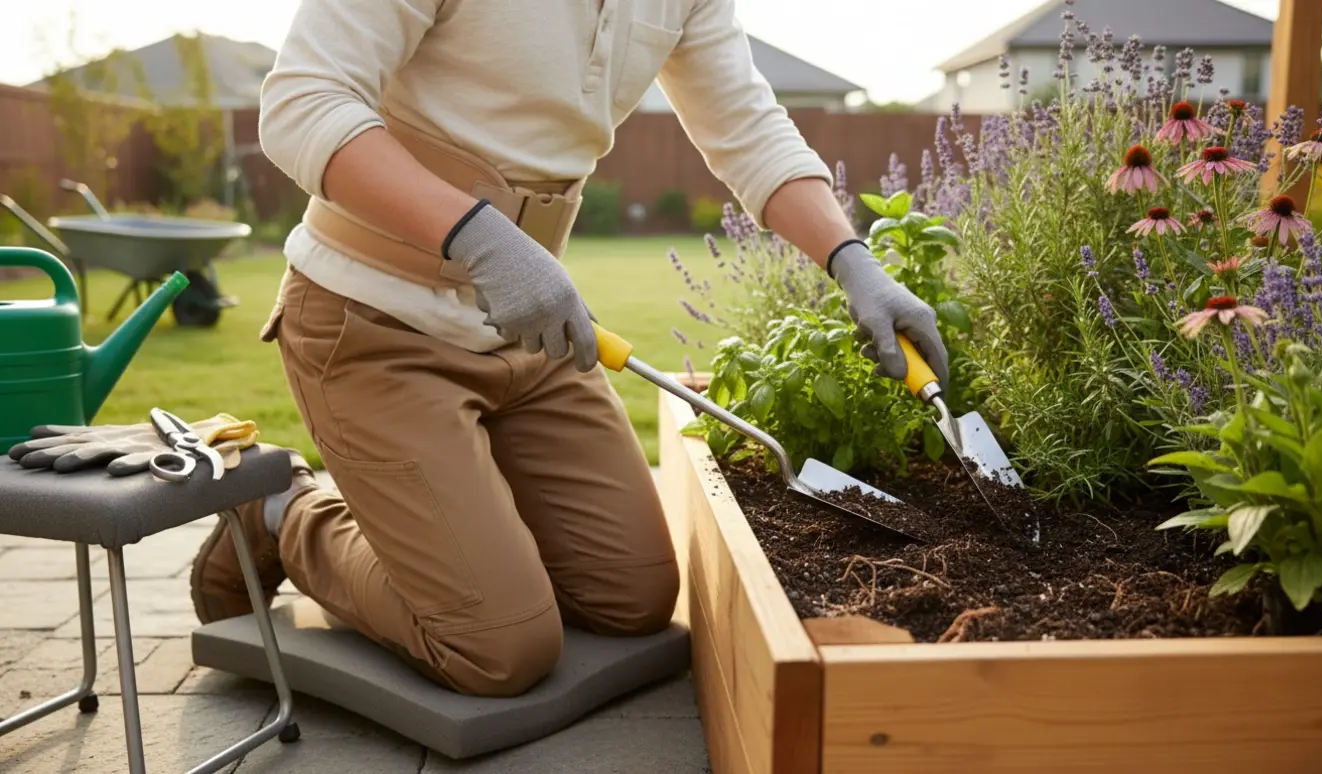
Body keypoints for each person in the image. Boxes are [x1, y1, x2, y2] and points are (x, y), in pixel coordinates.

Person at [189, 0, 950, 698]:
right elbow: (301, 103)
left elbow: (747, 128)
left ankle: (459, 528)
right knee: (500, 649)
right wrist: (480, 237)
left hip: (528, 327)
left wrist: (854, 263)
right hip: (371, 318)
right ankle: (280, 510)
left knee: (635, 596)